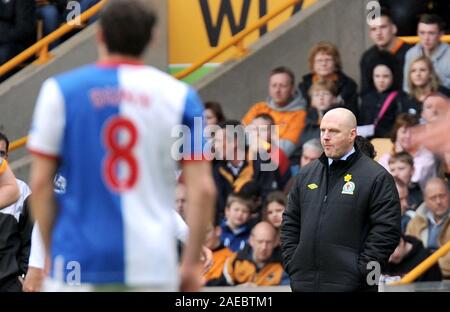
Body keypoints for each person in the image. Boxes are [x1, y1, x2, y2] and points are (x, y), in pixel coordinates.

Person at [27, 0, 216, 291]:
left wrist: (52, 254)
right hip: (151, 263)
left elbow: (40, 185)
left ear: (99, 35)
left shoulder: (59, 91)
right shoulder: (180, 96)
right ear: (153, 39)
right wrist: (190, 264)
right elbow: (202, 189)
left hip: (79, 261)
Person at [281, 107, 401, 292]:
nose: (326, 137)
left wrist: (360, 272)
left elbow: (386, 231)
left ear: (352, 134)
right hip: (304, 284)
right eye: (323, 130)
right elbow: (290, 222)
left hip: (354, 286)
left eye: (334, 131)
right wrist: (293, 263)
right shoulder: (306, 174)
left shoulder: (377, 177)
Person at [241, 66, 307, 157]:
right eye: (274, 85)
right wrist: (267, 143)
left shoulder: (299, 115)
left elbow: (283, 150)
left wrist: (253, 139)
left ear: (292, 88)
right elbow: (239, 136)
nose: (277, 90)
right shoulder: (259, 108)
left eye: (283, 86)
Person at [0, 132, 33, 292]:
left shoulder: (22, 190)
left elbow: (31, 239)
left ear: (7, 156)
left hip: (9, 283)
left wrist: (25, 275)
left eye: (0, 154)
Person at [378, 113, 437, 191]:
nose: (408, 136)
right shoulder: (385, 159)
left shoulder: (426, 156)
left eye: (413, 133)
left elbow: (411, 182)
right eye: (404, 132)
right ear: (396, 133)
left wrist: (400, 154)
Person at [298, 41, 358, 117]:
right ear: (313, 63)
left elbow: (352, 114)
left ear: (335, 62)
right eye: (319, 60)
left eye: (328, 60)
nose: (323, 64)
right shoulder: (303, 86)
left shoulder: (348, 85)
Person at [360, 8, 411, 96]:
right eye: (374, 29)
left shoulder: (410, 53)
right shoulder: (367, 57)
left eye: (383, 27)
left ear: (394, 29)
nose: (378, 33)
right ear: (370, 34)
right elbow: (366, 91)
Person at [406, 178, 450, 278]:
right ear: (425, 199)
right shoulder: (415, 223)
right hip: (419, 279)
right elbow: (408, 255)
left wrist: (424, 267)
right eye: (433, 198)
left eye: (442, 196)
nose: (438, 201)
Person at [221, 221, 285, 286]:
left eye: (268, 242)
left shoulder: (285, 264)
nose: (264, 247)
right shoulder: (235, 260)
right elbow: (220, 287)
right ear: (251, 240)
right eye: (260, 242)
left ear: (276, 242)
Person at [403, 14, 450, 92]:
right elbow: (407, 87)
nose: (426, 38)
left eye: (431, 33)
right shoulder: (411, 54)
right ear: (417, 33)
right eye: (422, 33)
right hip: (416, 101)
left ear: (441, 34)